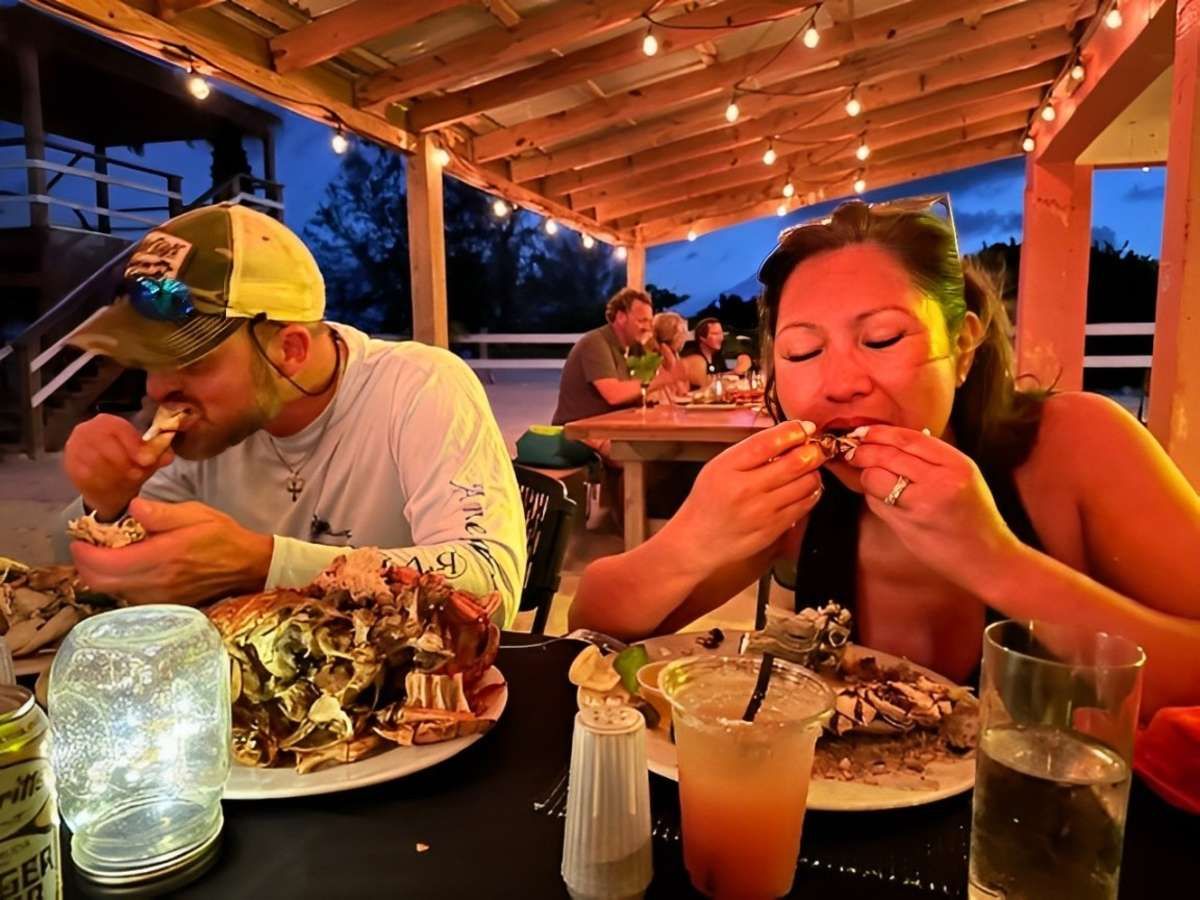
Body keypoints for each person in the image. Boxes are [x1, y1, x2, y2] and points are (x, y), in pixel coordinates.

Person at [569, 198, 1200, 715]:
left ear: (963, 346)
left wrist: (997, 561)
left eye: (882, 339)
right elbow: (596, 624)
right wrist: (692, 539)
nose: (840, 383)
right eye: (802, 352)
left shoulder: (1077, 443)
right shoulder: (798, 494)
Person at [58, 203, 525, 626]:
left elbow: (492, 586)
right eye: (149, 362)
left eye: (193, 361)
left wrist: (263, 564)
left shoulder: (419, 386)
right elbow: (71, 580)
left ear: (290, 351)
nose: (158, 389)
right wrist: (106, 505)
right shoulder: (209, 425)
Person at [551, 287, 684, 426]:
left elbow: (636, 391)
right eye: (642, 321)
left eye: (649, 322)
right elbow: (614, 394)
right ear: (621, 317)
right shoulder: (595, 343)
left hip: (611, 428)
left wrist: (665, 359)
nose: (647, 328)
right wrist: (662, 379)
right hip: (579, 431)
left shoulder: (633, 348)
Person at [680, 317, 752, 387]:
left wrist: (737, 369)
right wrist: (726, 375)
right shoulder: (691, 356)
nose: (721, 337)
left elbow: (743, 361)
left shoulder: (721, 357)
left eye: (721, 333)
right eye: (715, 334)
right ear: (702, 337)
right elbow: (701, 380)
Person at [647, 311, 691, 404]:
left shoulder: (675, 357)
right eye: (683, 332)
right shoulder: (654, 362)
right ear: (674, 336)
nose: (685, 337)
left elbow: (683, 392)